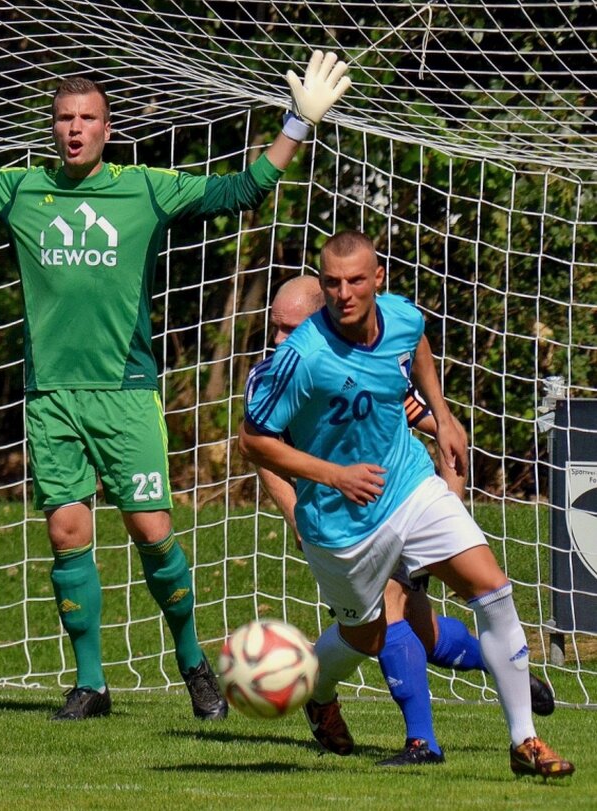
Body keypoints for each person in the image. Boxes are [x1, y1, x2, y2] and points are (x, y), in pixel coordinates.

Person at [0, 24, 349, 720]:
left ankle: (193, 660)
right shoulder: (21, 189)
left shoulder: (146, 190)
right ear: (53, 128)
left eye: (88, 119)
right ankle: (91, 681)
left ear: (108, 128)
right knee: (67, 533)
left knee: (152, 531)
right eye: (64, 119)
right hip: (53, 397)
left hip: (126, 394)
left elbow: (242, 191)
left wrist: (298, 121)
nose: (75, 131)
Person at [238, 230, 572, 778]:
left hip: (409, 486)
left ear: (378, 280)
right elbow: (254, 441)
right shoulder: (302, 357)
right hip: (340, 525)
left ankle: (524, 742)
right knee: (368, 636)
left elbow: (416, 343)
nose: (344, 293)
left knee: (492, 588)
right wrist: (333, 475)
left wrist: (443, 417)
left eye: (355, 281)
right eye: (333, 282)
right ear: (324, 286)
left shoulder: (402, 316)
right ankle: (319, 691)